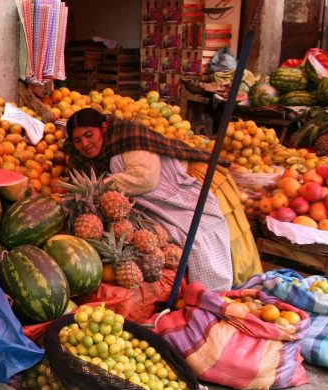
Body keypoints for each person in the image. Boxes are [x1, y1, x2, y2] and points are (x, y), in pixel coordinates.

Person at [64, 107, 262, 291]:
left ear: (104, 127)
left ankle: (219, 293)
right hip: (153, 202)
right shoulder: (83, 160)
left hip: (185, 190)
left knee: (201, 238)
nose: (85, 144)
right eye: (78, 140)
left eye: (89, 135)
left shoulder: (128, 137)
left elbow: (145, 179)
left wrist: (101, 186)